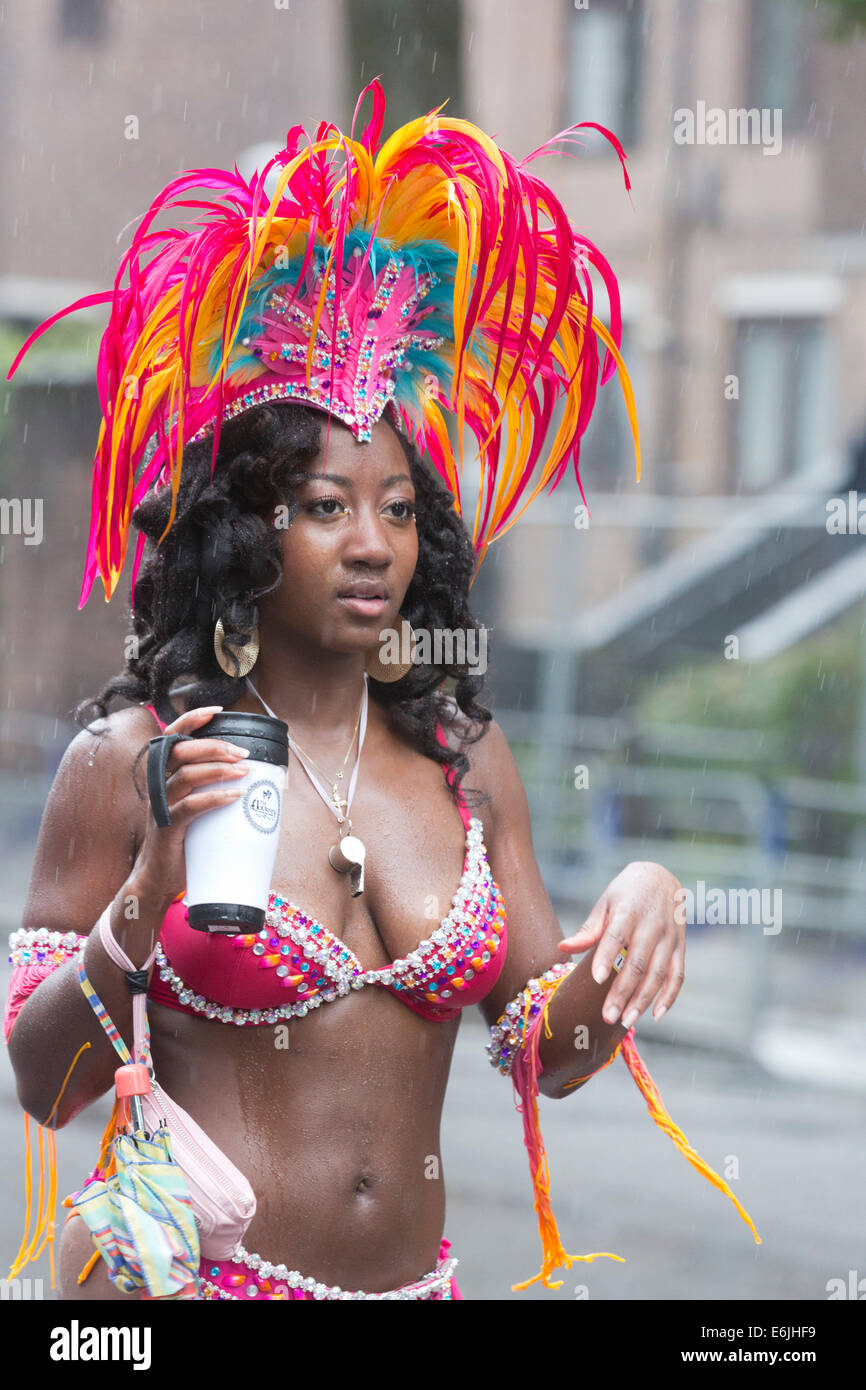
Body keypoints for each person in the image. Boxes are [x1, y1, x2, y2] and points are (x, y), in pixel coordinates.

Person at [4, 81, 758, 1301]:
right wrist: (146, 897)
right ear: (243, 531)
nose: (372, 544)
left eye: (398, 509)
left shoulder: (459, 752)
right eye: (323, 508)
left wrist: (634, 915)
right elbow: (47, 1085)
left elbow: (545, 1053)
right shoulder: (136, 754)